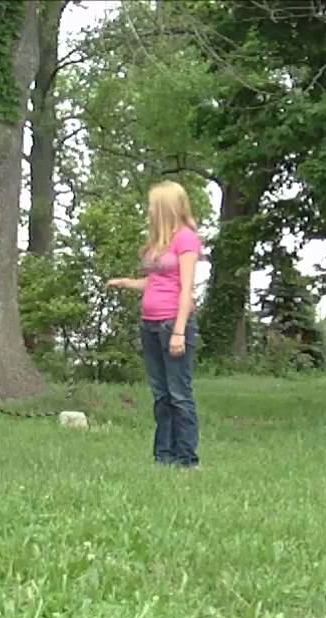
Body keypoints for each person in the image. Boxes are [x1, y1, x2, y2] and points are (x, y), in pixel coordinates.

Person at [107, 180, 202, 469]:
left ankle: (187, 459)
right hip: (150, 324)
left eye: (152, 205)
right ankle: (164, 456)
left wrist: (179, 332)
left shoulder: (186, 239)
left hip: (173, 323)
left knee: (179, 394)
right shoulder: (157, 243)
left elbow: (186, 288)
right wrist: (127, 283)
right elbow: (157, 281)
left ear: (165, 207)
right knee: (161, 395)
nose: (148, 209)